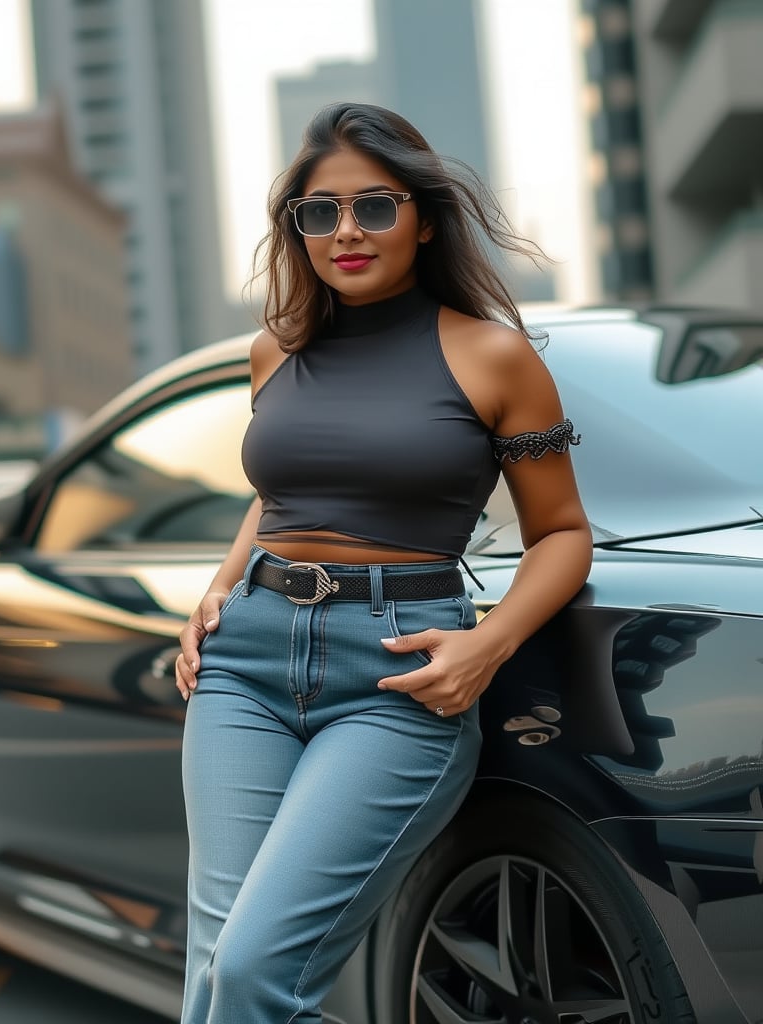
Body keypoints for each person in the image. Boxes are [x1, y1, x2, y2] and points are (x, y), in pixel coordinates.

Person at [174, 101, 592, 1024]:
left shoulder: (494, 357)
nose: (347, 232)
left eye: (374, 206)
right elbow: (281, 493)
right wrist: (215, 591)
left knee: (249, 976)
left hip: (397, 675)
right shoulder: (275, 350)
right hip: (244, 665)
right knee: (213, 976)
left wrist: (488, 646)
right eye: (320, 213)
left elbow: (561, 533)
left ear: (424, 216)